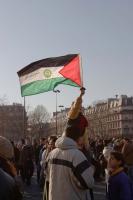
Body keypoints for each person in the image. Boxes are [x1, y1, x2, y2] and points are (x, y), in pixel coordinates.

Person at [44, 88, 94, 200]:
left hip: (81, 144)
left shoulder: (79, 117)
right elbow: (89, 183)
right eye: (78, 106)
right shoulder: (72, 116)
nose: (80, 107)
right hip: (77, 145)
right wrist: (80, 96)